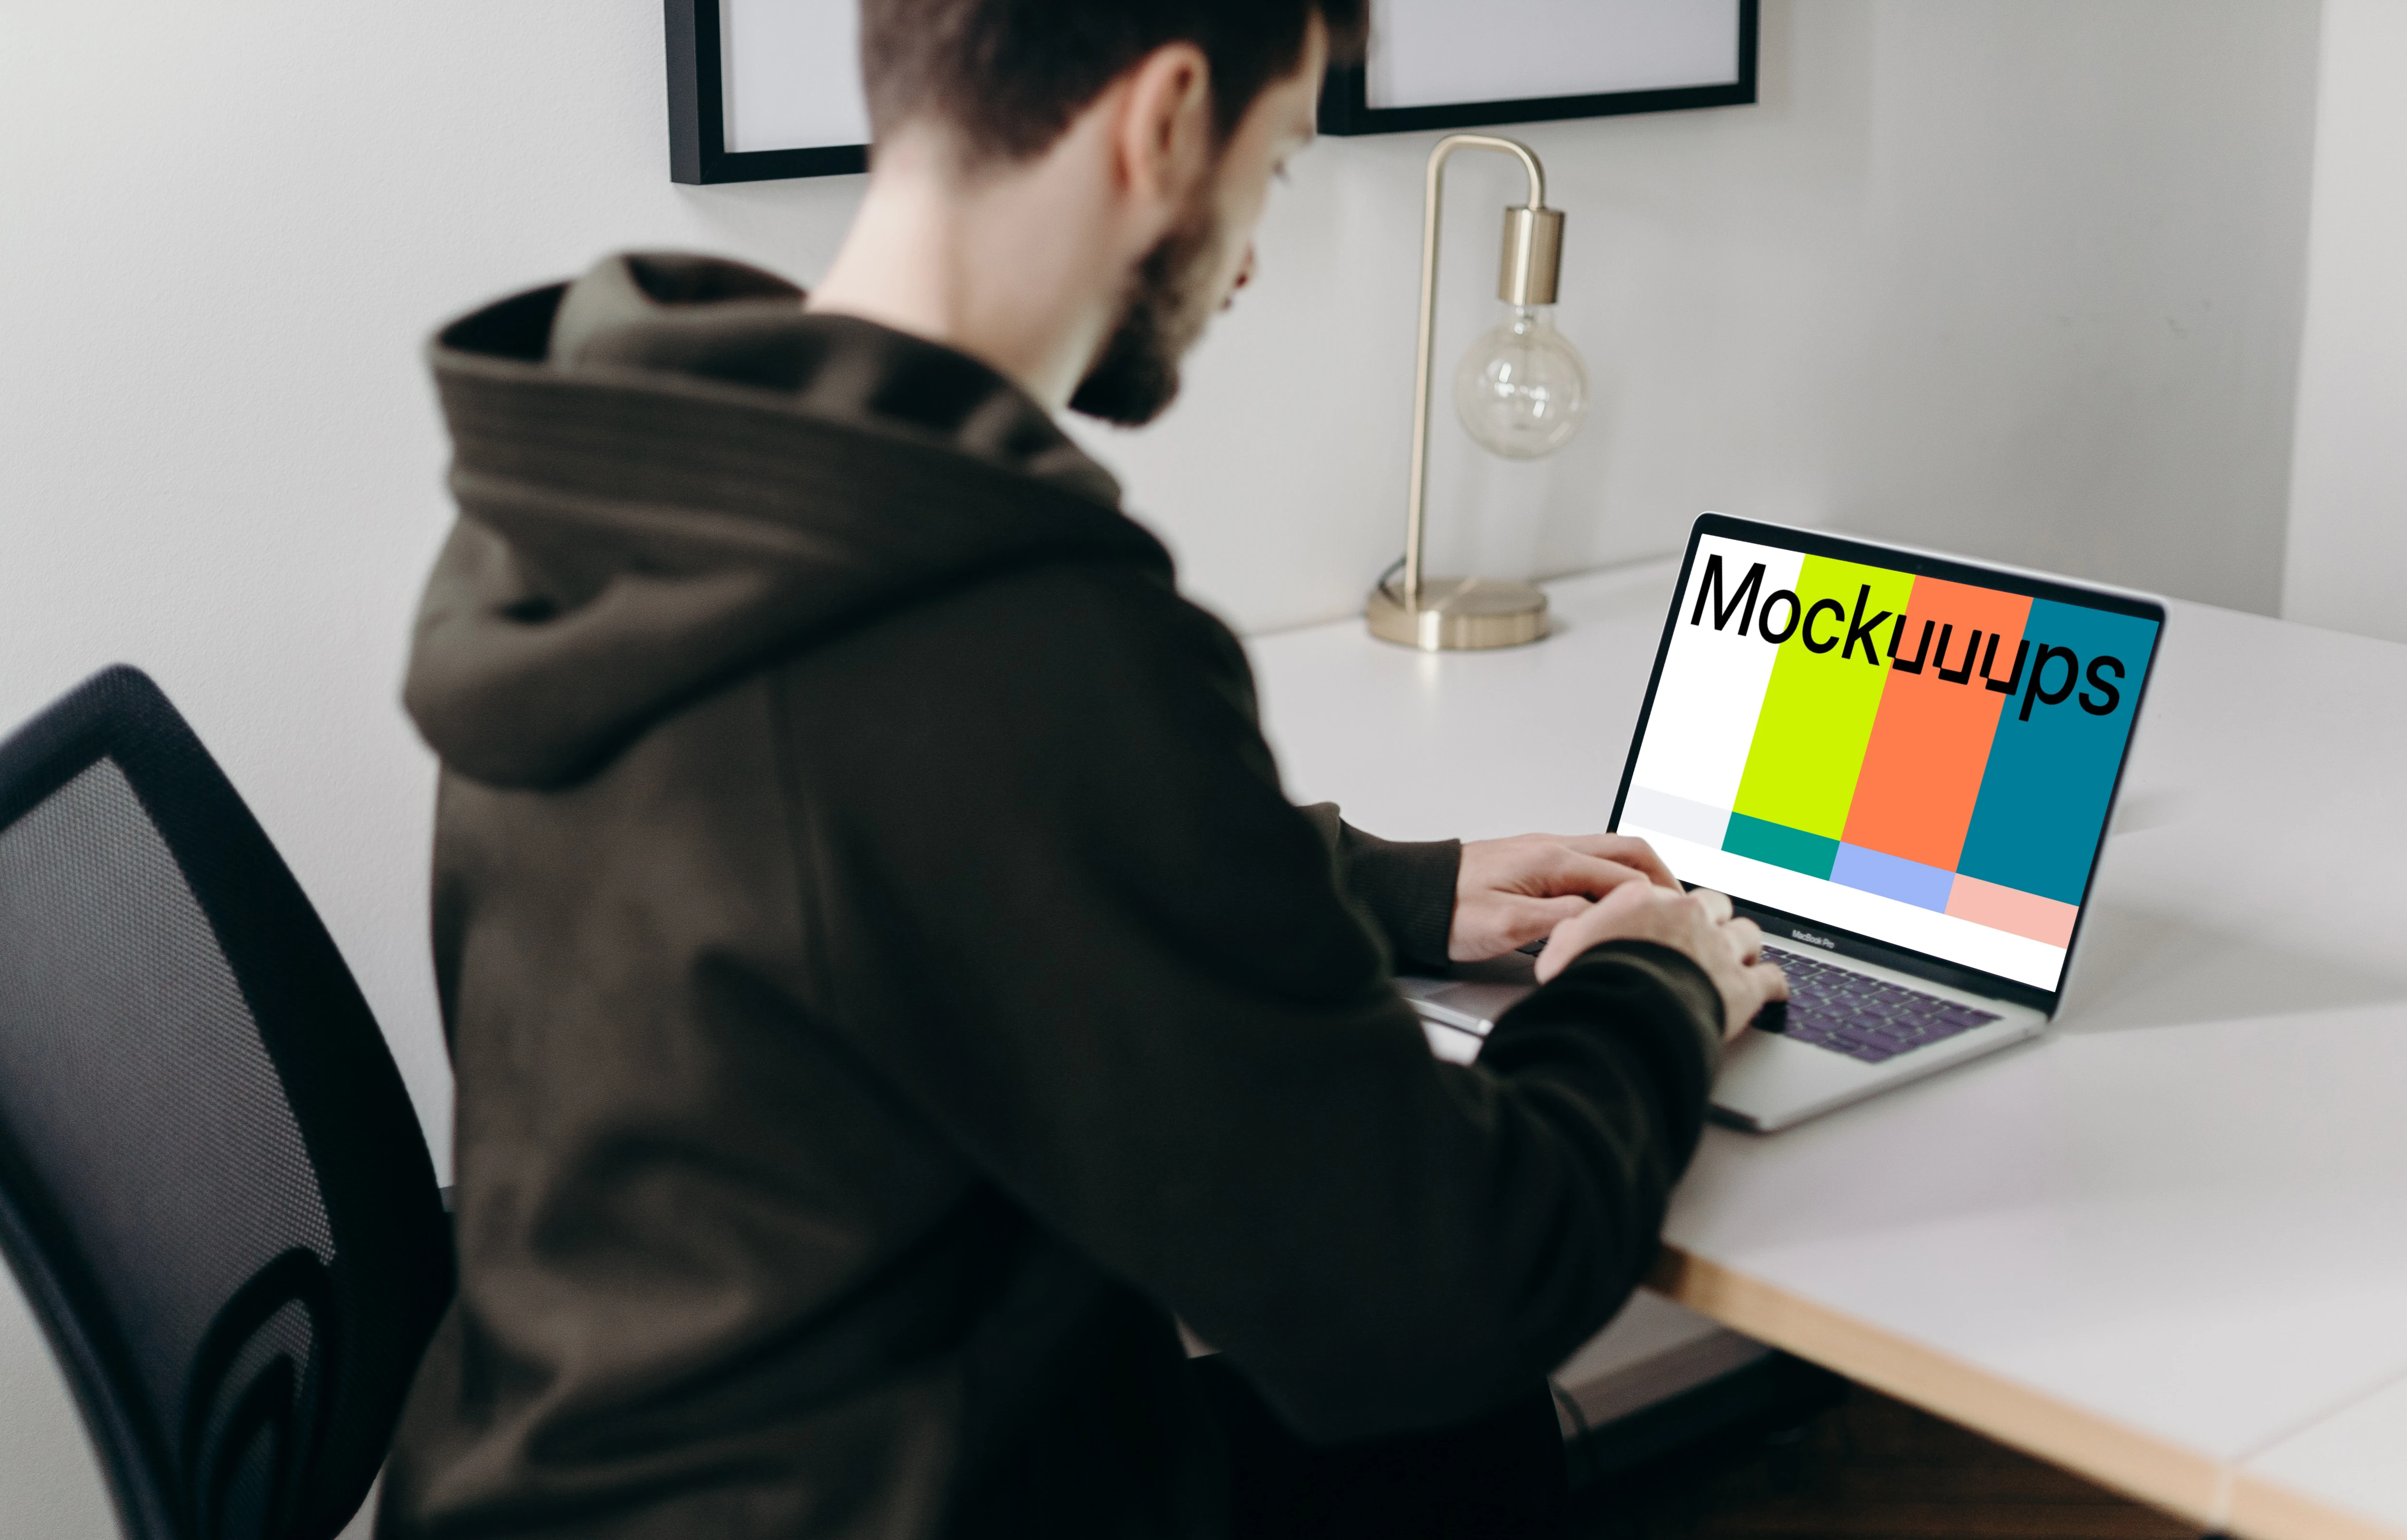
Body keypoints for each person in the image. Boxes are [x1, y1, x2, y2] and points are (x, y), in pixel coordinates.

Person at [377, 1, 1788, 1537]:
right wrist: (1652, 986)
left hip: (556, 1460)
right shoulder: (1018, 641)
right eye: (1280, 166)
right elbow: (1444, 1291)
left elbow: (884, 853)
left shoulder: (628, 488)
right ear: (1168, 118)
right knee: (1459, 1427)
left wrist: (1398, 888)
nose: (1248, 255)